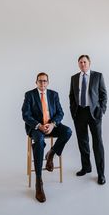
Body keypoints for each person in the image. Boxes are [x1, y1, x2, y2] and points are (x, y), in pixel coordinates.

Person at [22, 72, 72, 203]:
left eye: (45, 81)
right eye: (40, 81)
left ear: (48, 82)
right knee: (39, 141)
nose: (42, 83)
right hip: (36, 128)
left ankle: (51, 153)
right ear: (36, 82)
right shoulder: (29, 95)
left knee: (67, 131)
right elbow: (25, 115)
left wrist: (53, 124)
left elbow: (60, 112)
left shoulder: (53, 94)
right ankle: (39, 181)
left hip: (51, 126)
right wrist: (39, 126)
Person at [69, 55, 107, 185]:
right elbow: (72, 96)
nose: (83, 64)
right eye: (80, 62)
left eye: (85, 62)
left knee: (97, 143)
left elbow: (103, 95)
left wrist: (101, 110)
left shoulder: (98, 76)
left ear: (89, 63)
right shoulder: (74, 78)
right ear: (78, 64)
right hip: (79, 112)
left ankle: (101, 173)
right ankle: (86, 167)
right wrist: (73, 111)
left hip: (94, 113)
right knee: (83, 142)